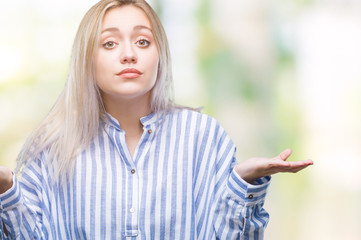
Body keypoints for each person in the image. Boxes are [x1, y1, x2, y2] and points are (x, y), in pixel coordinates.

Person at [0, 0, 313, 239]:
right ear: (86, 59)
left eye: (143, 41)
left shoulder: (202, 137)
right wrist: (6, 189)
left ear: (159, 55)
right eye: (109, 43)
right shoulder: (52, 146)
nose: (129, 54)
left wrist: (244, 184)